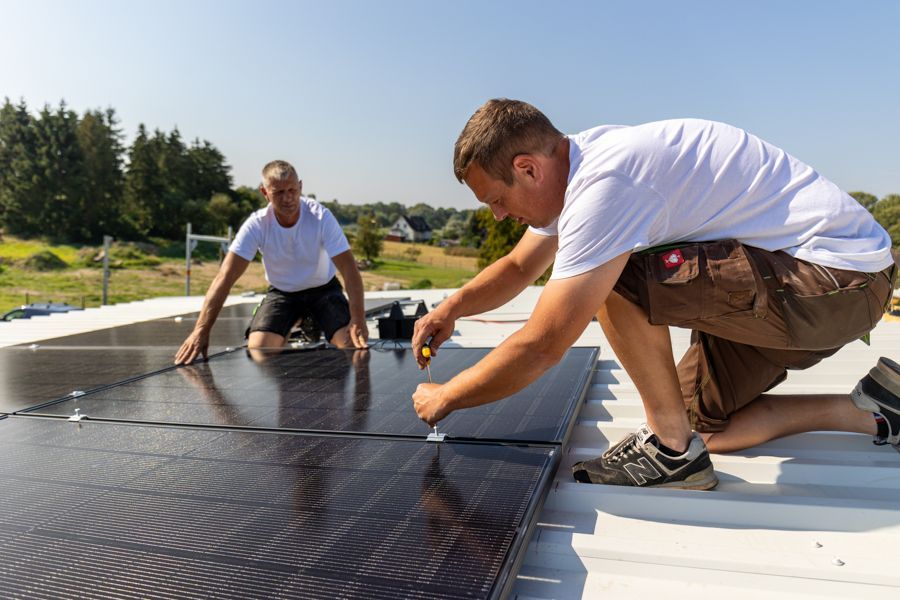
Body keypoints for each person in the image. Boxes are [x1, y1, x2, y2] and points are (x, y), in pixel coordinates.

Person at [411, 99, 898, 490]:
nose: (497, 215)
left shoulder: (606, 184)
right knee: (698, 425)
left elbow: (544, 344)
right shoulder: (574, 169)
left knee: (612, 275)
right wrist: (451, 308)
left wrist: (447, 397)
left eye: (497, 199)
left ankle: (670, 452)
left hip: (835, 282)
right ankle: (872, 409)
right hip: (814, 290)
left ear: (528, 169)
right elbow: (519, 266)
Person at [175, 160, 368, 365]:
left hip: (324, 291)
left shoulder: (321, 217)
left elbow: (349, 269)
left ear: (300, 186)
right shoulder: (257, 225)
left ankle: (311, 319)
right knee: (259, 348)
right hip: (283, 293)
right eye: (279, 192)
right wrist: (201, 330)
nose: (287, 198)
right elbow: (225, 277)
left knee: (349, 344)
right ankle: (295, 321)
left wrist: (358, 318)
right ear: (265, 192)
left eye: (292, 190)